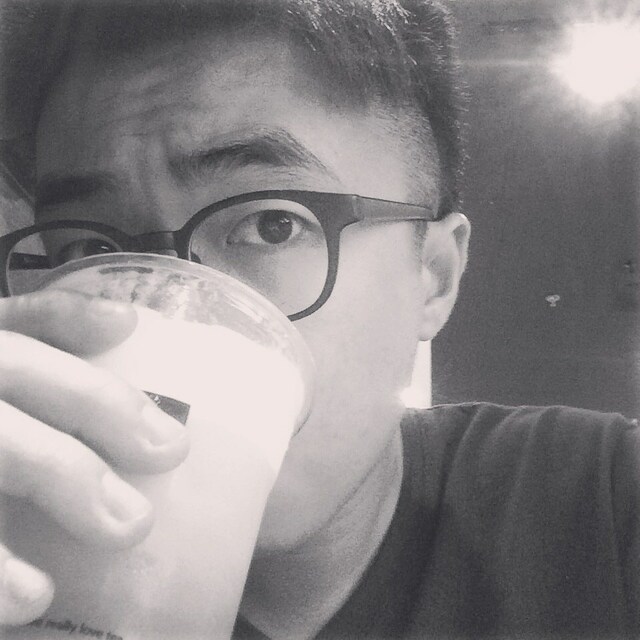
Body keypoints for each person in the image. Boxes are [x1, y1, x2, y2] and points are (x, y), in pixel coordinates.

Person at [0, 1, 638, 638]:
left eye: (272, 226)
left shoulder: (604, 501)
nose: (167, 321)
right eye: (92, 250)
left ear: (432, 276)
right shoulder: (27, 552)